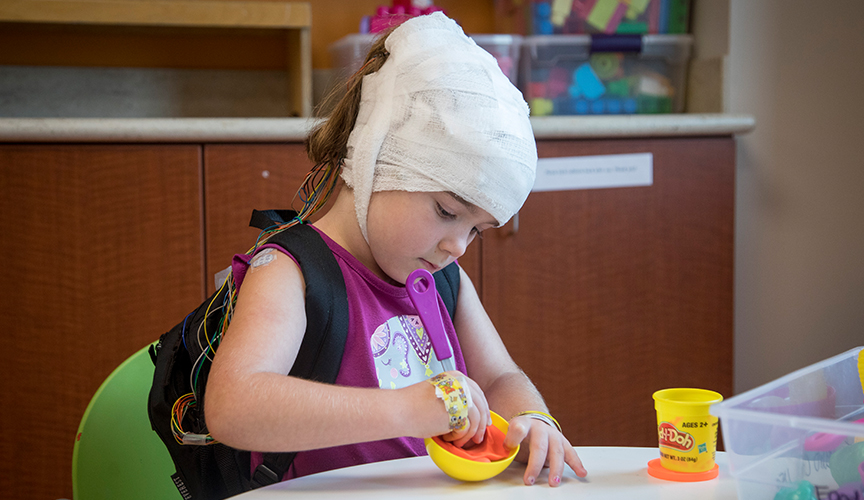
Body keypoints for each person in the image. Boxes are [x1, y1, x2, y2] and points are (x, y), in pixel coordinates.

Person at [204, 11, 587, 488]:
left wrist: (533, 419)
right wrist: (406, 409)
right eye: (448, 212)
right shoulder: (291, 272)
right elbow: (233, 406)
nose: (458, 246)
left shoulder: (445, 279)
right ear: (376, 162)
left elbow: (499, 379)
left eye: (478, 231)